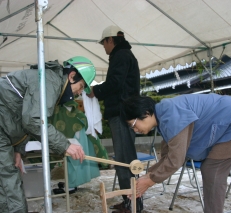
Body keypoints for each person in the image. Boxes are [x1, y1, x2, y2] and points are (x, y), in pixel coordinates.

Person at [0, 56, 96, 213]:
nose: (79, 92)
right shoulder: (51, 82)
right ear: (71, 76)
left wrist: (18, 150)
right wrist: (65, 145)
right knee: (7, 183)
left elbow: (25, 119)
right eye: (81, 86)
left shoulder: (50, 81)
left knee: (8, 183)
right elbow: (34, 121)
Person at [120, 94, 231, 213]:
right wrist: (148, 176)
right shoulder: (164, 115)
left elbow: (176, 159)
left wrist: (149, 181)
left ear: (146, 113)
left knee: (212, 170)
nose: (135, 130)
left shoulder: (171, 115)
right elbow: (168, 155)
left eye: (133, 125)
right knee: (210, 169)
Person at [87, 25, 142, 213]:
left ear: (110, 40)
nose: (104, 47)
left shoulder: (121, 55)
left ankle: (134, 203)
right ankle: (130, 200)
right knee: (125, 158)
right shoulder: (125, 55)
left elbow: (115, 83)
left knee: (125, 159)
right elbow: (119, 83)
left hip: (122, 113)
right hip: (123, 110)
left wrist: (96, 90)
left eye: (104, 43)